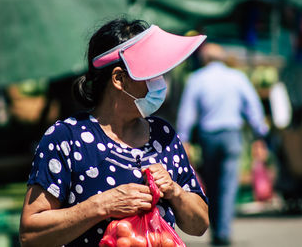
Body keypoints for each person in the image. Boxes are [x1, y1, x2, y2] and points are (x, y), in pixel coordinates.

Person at [19, 18, 209, 247]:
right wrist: (102, 205)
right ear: (119, 79)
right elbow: (31, 234)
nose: (160, 83)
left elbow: (200, 225)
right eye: (151, 74)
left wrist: (175, 192)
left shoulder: (164, 136)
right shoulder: (67, 138)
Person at [176, 43, 269, 246]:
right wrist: (260, 134)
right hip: (231, 135)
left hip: (208, 137)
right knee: (228, 184)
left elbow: (187, 112)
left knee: (211, 183)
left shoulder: (196, 79)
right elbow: (253, 107)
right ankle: (223, 232)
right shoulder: (237, 78)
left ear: (204, 59)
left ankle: (217, 228)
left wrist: (184, 139)